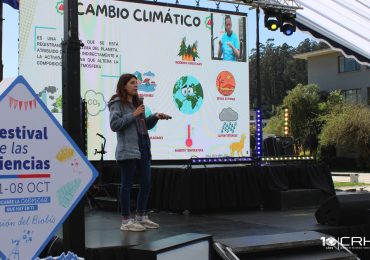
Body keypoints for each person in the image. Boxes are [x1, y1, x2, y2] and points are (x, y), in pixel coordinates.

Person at [108, 73, 171, 232]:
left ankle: (141, 216)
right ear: (124, 86)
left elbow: (143, 127)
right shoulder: (117, 104)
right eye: (132, 83)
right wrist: (133, 114)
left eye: (137, 83)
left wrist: (155, 117)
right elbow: (115, 124)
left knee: (147, 183)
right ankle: (126, 221)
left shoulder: (138, 104)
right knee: (127, 185)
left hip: (143, 147)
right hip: (127, 149)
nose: (136, 85)